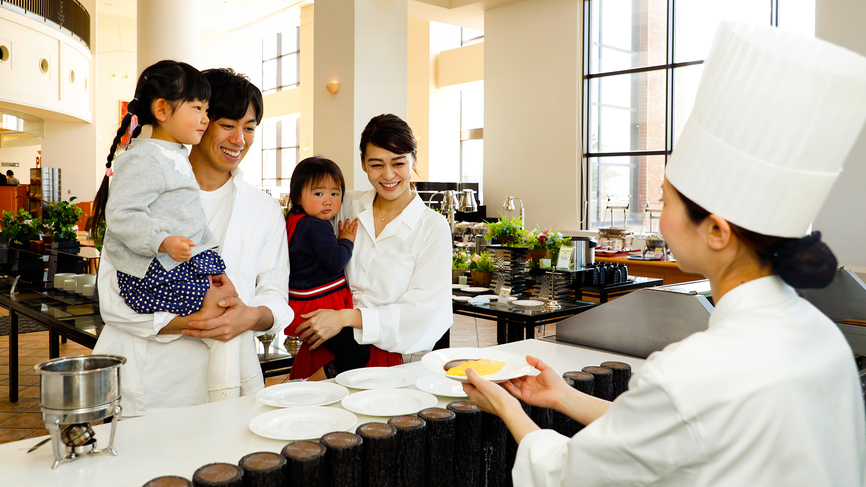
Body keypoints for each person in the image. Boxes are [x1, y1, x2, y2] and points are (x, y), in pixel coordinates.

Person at [462, 22, 866, 486]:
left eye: (666, 201)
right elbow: (671, 434)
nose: (659, 219)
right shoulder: (822, 338)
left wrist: (508, 408)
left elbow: (567, 474)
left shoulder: (691, 371)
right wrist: (562, 398)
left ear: (716, 231)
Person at [93, 67, 291, 416]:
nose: (239, 140)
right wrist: (198, 321)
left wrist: (248, 317)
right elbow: (111, 297)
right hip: (151, 379)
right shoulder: (144, 187)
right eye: (228, 124)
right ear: (197, 118)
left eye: (249, 128)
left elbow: (275, 294)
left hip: (229, 380)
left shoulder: (263, 209)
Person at [294, 114, 452, 372]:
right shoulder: (344, 205)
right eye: (376, 164)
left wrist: (346, 317)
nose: (388, 175)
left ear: (414, 160)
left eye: (398, 163)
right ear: (363, 164)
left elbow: (423, 311)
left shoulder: (432, 227)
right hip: (323, 340)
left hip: (382, 358)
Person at [284, 156, 363, 381]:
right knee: (357, 354)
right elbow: (336, 261)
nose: (328, 201)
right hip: (321, 305)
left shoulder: (295, 221)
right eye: (318, 194)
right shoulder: (315, 226)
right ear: (298, 196)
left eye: (335, 194)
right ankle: (308, 384)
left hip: (303, 303)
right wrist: (346, 239)